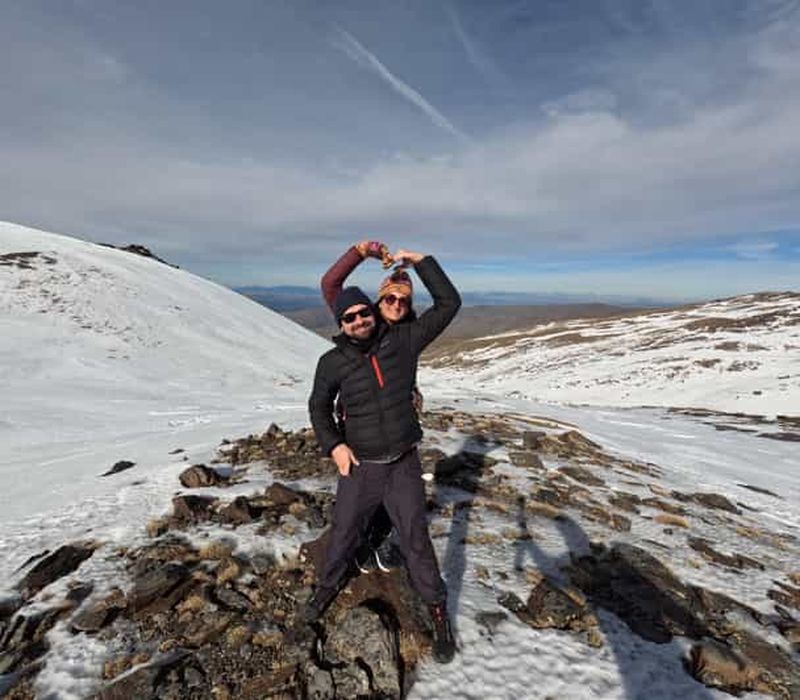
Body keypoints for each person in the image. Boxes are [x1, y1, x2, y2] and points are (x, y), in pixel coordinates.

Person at [307, 248, 460, 664]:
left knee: (415, 539)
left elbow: (449, 303)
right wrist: (334, 445)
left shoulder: (405, 341)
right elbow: (318, 407)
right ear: (345, 320)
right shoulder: (333, 360)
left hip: (403, 463)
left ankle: (439, 612)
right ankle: (324, 594)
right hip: (359, 465)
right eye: (352, 316)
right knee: (344, 533)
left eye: (401, 301)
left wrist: (422, 261)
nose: (363, 319)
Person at [320, 241, 423, 574]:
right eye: (389, 298)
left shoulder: (408, 330)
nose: (395, 304)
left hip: (396, 418)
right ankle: (361, 541)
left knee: (398, 485)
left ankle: (382, 538)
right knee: (364, 489)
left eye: (403, 300)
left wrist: (411, 390)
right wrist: (360, 252)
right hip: (360, 426)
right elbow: (330, 285)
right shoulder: (360, 315)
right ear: (378, 299)